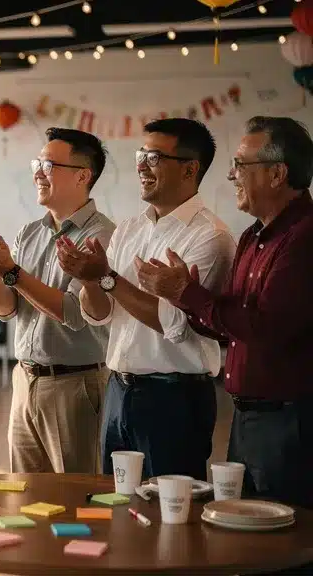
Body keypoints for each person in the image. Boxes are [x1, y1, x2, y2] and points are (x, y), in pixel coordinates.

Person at [137, 116, 313, 513]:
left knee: (284, 543)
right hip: (247, 418)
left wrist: (189, 294)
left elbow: (266, 327)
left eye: (240, 165)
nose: (231, 175)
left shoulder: (303, 237)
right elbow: (229, 323)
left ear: (277, 173)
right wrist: (187, 297)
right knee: (246, 534)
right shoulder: (254, 235)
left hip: (289, 423)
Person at [56, 118, 236, 482]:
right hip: (119, 388)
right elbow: (102, 314)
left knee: (169, 515)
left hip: (174, 397)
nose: (140, 165)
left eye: (153, 157)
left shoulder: (210, 238)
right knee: (119, 503)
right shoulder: (130, 228)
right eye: (141, 154)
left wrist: (106, 278)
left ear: (190, 168)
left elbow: (173, 323)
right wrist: (89, 280)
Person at [0, 127, 114, 475]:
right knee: (25, 497)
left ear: (83, 175)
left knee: (76, 499)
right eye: (37, 162)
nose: (38, 172)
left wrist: (10, 272)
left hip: (75, 385)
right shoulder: (30, 233)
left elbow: (74, 313)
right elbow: (7, 310)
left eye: (49, 164)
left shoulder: (101, 236)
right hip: (25, 379)